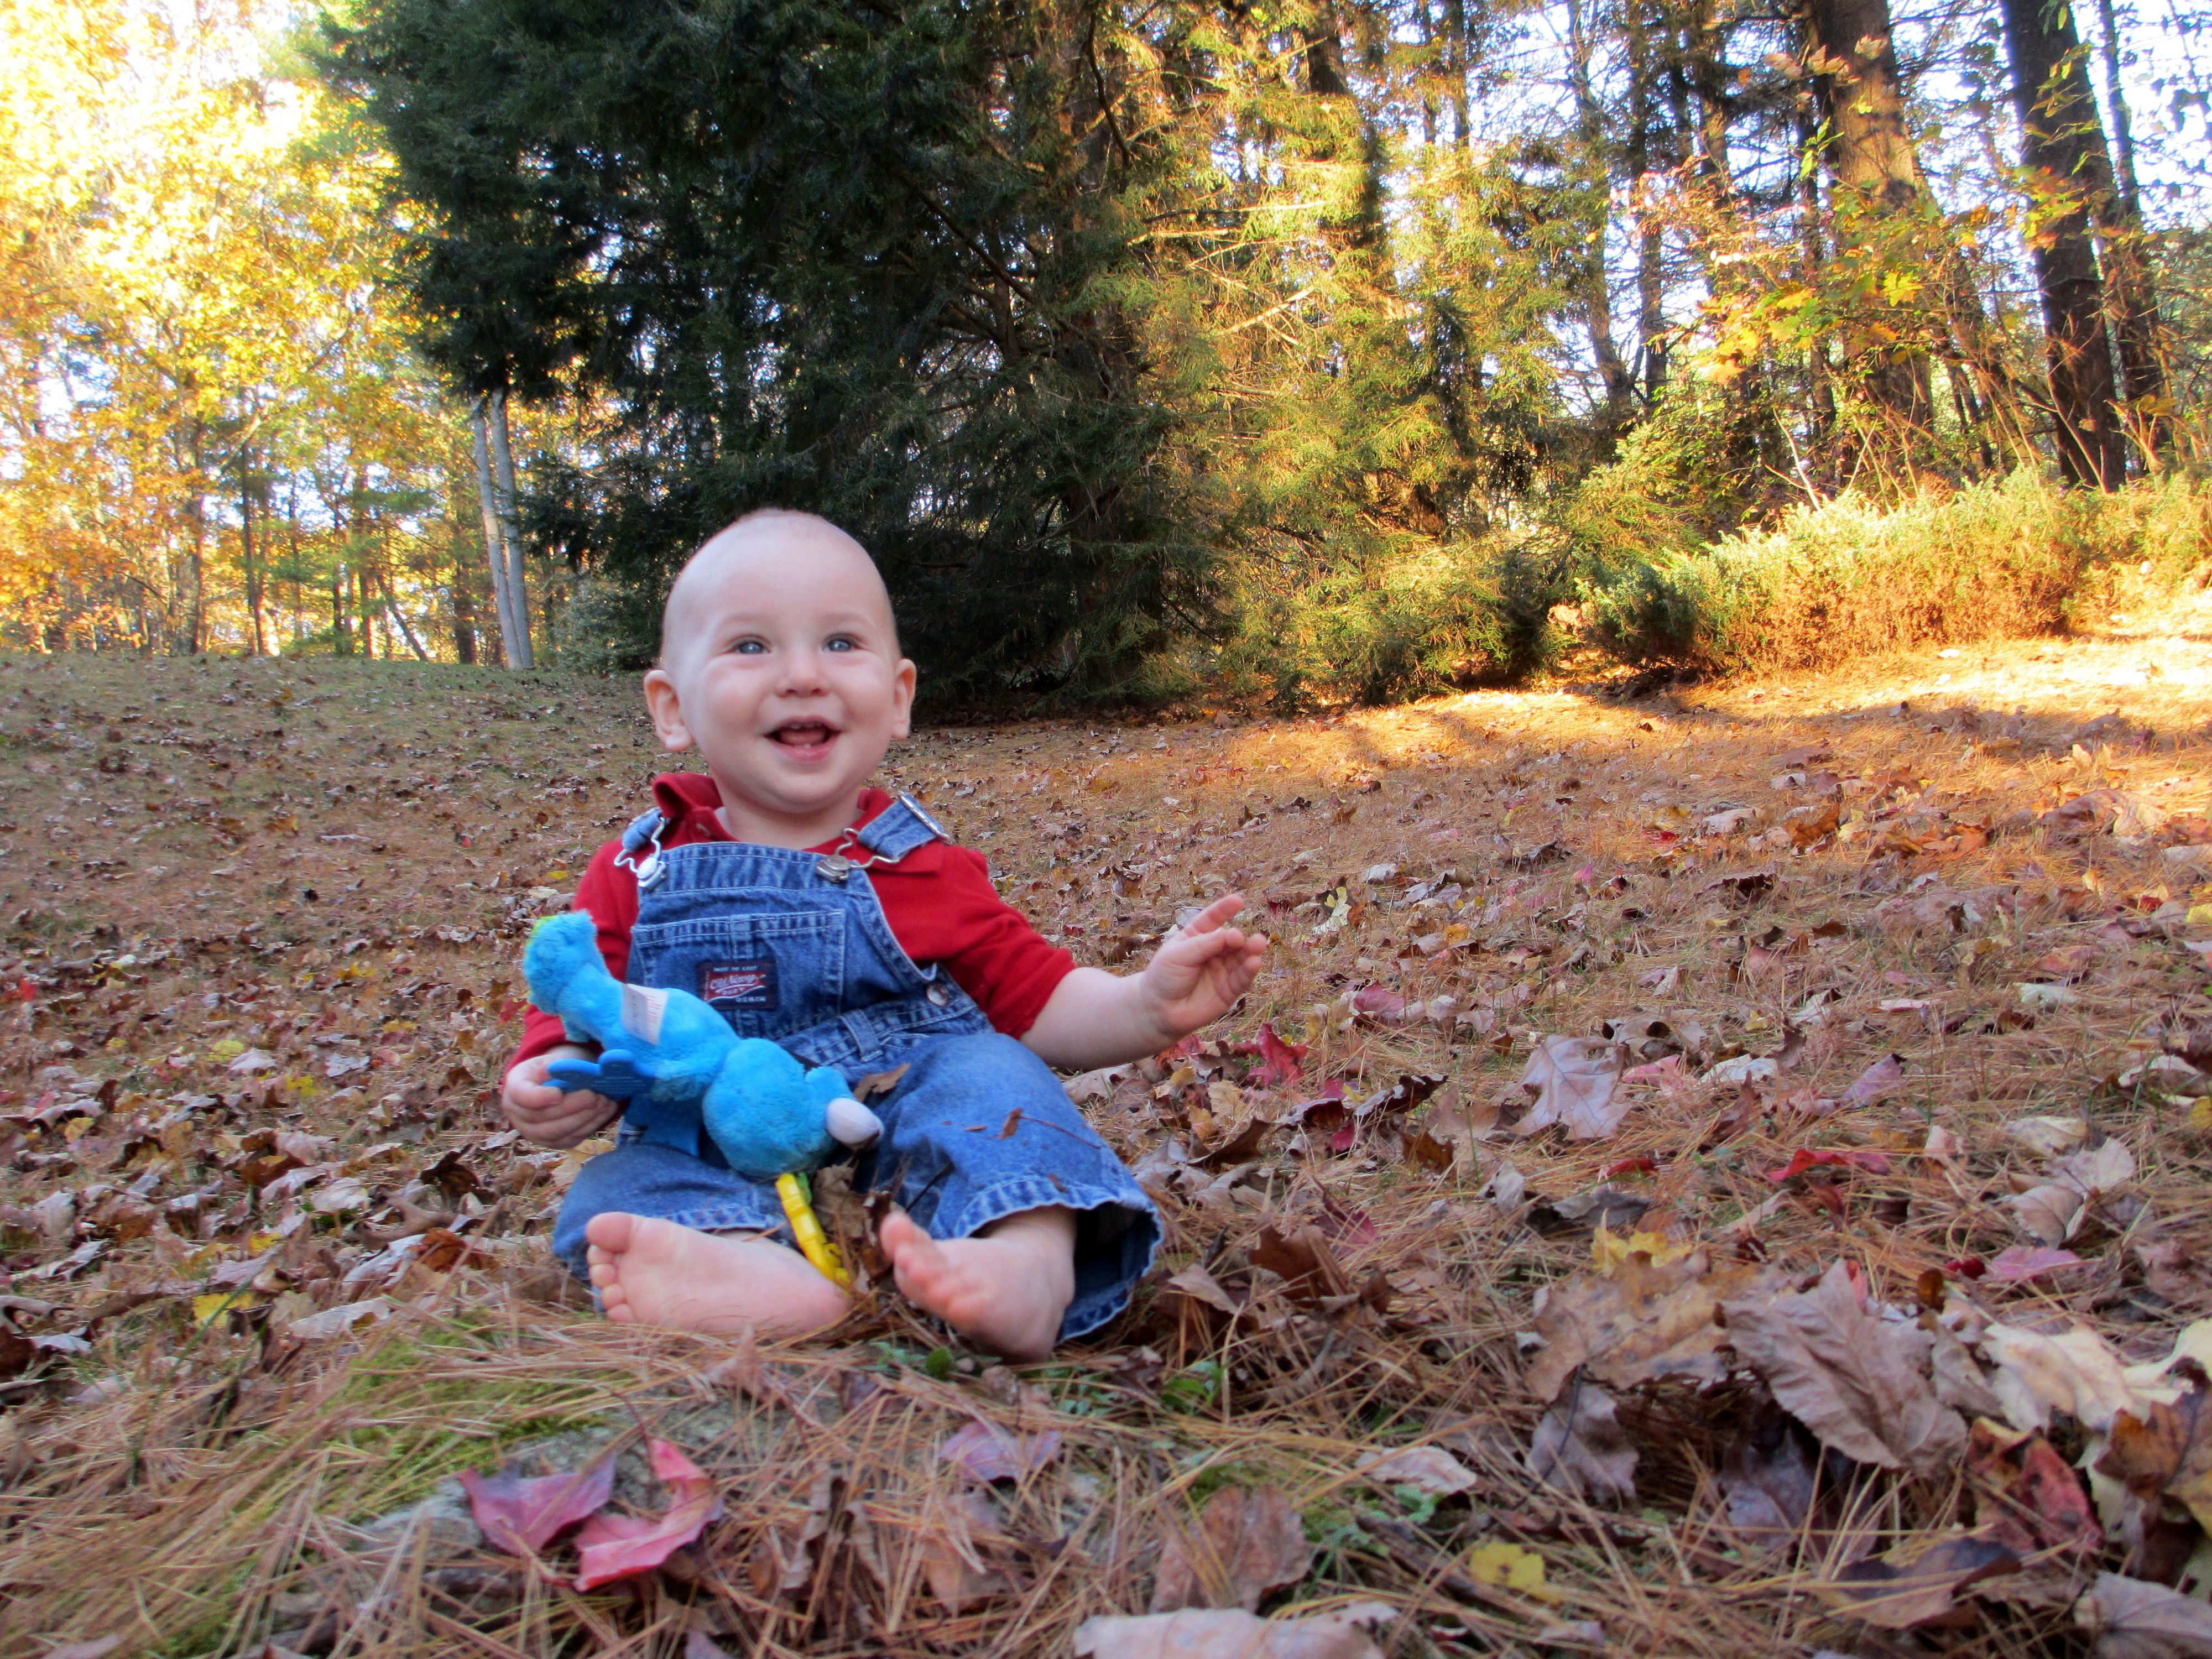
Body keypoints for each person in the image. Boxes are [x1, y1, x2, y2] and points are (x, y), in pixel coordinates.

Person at [500, 510, 1268, 1360]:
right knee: (620, 1187)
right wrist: (553, 1071)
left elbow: (1039, 998)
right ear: (672, 708)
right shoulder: (637, 872)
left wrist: (1145, 1006)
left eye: (840, 643)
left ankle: (1024, 1261)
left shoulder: (922, 865)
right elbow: (583, 1008)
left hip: (899, 1126)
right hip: (714, 1145)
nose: (802, 676)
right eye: (751, 646)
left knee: (993, 1080)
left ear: (898, 699)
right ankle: (751, 1269)